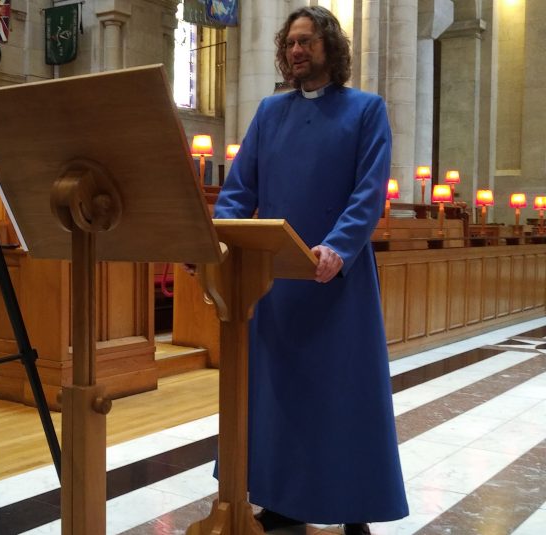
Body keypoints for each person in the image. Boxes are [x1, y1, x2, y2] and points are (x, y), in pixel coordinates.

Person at [213, 6, 409, 535]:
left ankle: (354, 505)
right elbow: (238, 190)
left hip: (337, 282)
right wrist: (217, 236)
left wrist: (337, 249)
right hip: (275, 282)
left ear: (331, 49)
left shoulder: (366, 110)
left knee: (345, 397)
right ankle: (280, 499)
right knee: (280, 396)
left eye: (308, 42)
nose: (297, 51)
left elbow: (368, 194)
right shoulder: (269, 113)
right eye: (291, 43)